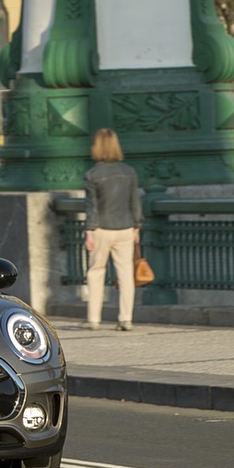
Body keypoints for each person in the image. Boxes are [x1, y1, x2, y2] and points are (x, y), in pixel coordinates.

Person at [84, 128, 143, 332]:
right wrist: (137, 226)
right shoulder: (129, 172)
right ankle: (126, 318)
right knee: (126, 274)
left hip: (102, 228)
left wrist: (89, 231)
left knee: (96, 272)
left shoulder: (93, 174)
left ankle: (94, 319)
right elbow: (134, 202)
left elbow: (92, 206)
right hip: (126, 227)